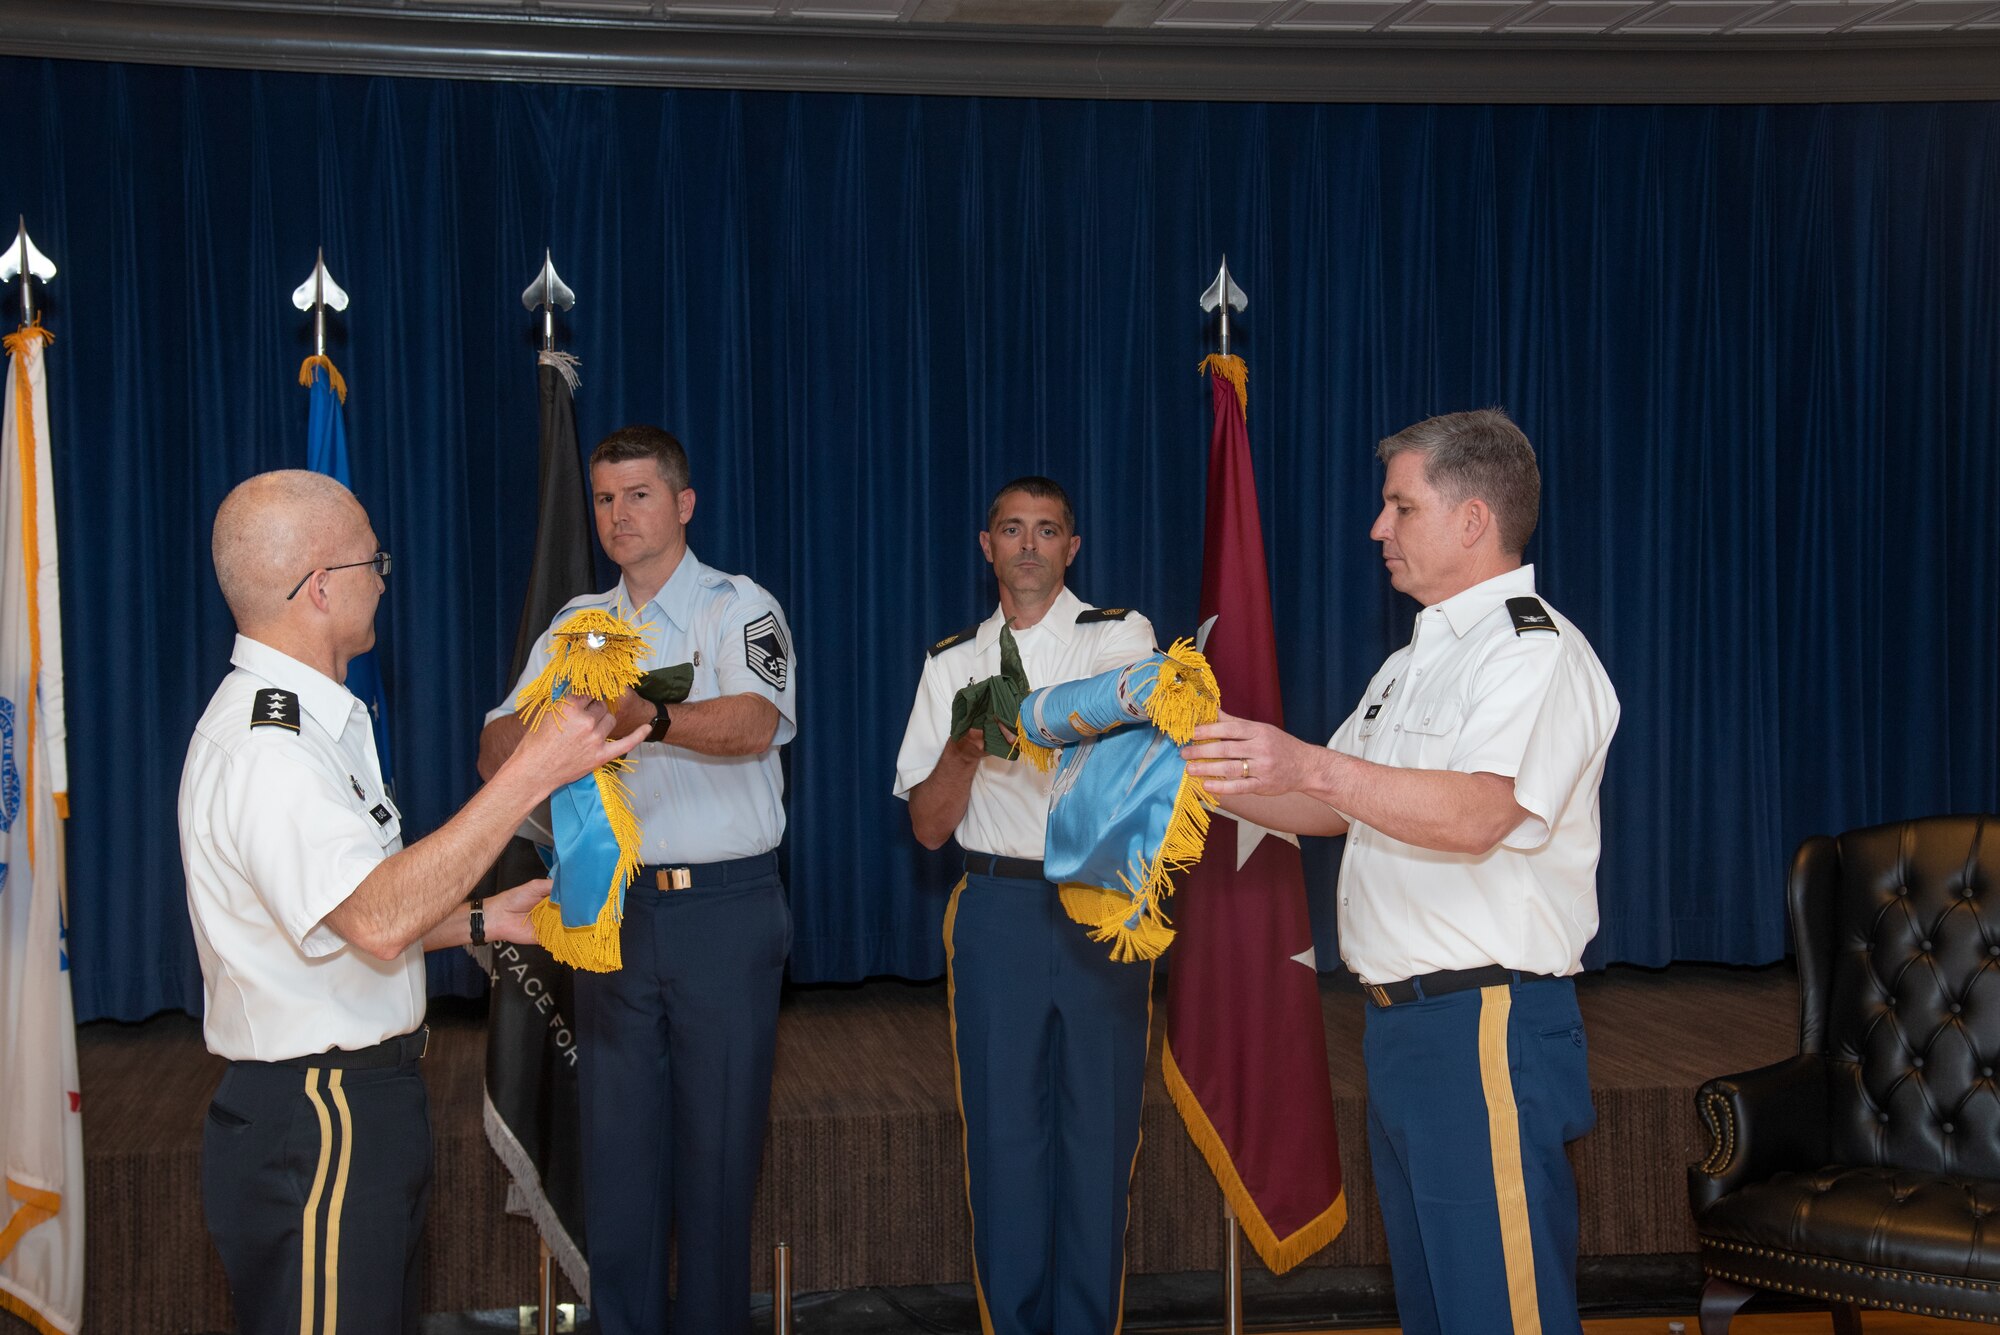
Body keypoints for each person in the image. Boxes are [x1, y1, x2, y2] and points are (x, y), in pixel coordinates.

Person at [1184, 409, 1620, 1335]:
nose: (1378, 528)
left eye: (1399, 506)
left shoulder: (1532, 651)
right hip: (1403, 1028)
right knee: (1441, 1311)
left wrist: (1308, 762)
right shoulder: (1411, 661)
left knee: (1502, 1314)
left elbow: (1478, 813)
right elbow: (1331, 806)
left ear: (1471, 520)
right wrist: (1193, 774)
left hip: (1483, 1025)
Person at [178, 469, 638, 1335]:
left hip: (355, 1103)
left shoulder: (314, 725)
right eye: (371, 561)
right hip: (320, 1116)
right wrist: (533, 767)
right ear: (319, 587)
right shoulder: (269, 748)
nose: (384, 578)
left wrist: (475, 920)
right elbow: (376, 915)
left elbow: (328, 920)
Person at [478, 424, 796, 1335]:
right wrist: (551, 718)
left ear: (684, 503)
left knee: (717, 1161)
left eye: (640, 495)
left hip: (723, 915)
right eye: (606, 498)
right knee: (618, 1163)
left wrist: (644, 713)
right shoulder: (577, 625)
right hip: (609, 911)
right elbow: (493, 745)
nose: (619, 515)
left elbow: (754, 722)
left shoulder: (739, 608)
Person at [893, 477, 1157, 1335]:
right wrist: (967, 747)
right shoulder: (951, 663)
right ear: (987, 545)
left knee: (1097, 1142)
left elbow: (1127, 733)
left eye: (1048, 531)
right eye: (1013, 529)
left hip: (1096, 906)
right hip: (998, 909)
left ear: (1072, 549)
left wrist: (1030, 719)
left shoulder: (1120, 636)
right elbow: (929, 828)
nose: (1030, 546)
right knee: (1004, 1145)